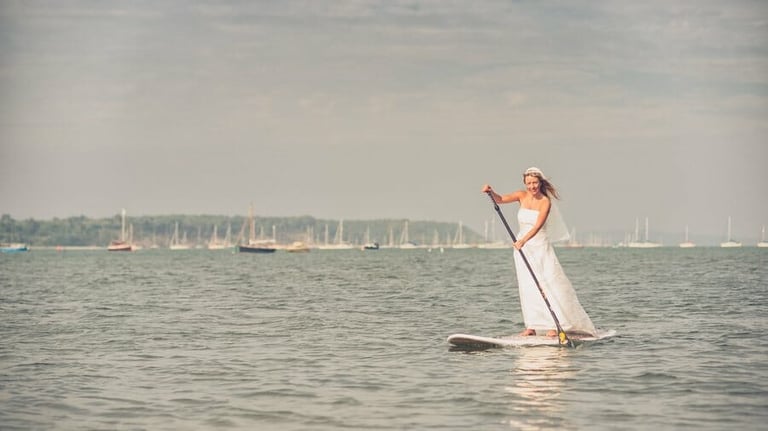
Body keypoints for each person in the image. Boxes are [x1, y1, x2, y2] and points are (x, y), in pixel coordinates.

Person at [482, 167, 596, 337]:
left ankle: (553, 324)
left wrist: (523, 240)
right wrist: (491, 192)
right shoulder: (521, 195)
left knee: (547, 283)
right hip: (522, 248)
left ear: (540, 182)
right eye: (529, 183)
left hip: (538, 246)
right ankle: (532, 326)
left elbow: (538, 226)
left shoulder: (545, 202)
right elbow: (500, 199)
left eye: (535, 182)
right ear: (525, 184)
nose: (532, 186)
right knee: (527, 285)